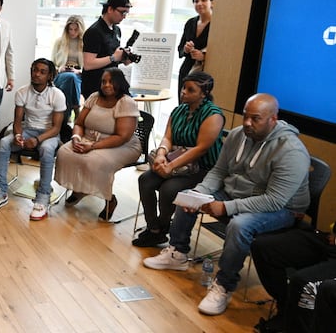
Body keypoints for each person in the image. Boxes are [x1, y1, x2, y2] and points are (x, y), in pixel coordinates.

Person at [142, 93, 310, 316]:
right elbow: (220, 171)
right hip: (238, 193)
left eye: (256, 119)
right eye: (245, 117)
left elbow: (274, 200)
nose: (247, 123)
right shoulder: (238, 135)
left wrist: (228, 207)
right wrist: (199, 193)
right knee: (187, 196)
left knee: (240, 226)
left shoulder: (291, 151)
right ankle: (178, 254)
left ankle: (224, 284)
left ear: (273, 119)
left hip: (282, 208)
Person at [132, 72, 224, 247]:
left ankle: (163, 225)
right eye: (183, 88)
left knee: (168, 190)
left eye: (190, 90)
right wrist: (160, 155)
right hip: (176, 164)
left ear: (203, 93)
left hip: (201, 169)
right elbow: (168, 137)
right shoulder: (179, 110)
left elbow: (201, 148)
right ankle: (154, 230)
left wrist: (171, 166)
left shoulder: (213, 115)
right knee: (145, 180)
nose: (184, 92)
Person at [54, 68, 141, 220]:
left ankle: (109, 200)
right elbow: (79, 123)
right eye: (103, 82)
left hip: (121, 145)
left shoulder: (126, 102)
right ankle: (79, 189)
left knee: (94, 161)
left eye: (111, 82)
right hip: (88, 138)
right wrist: (76, 138)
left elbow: (122, 136)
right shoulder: (94, 97)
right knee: (64, 152)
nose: (106, 85)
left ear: (119, 83)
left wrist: (92, 147)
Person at [0, 58, 65, 221]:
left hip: (49, 133)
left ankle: (43, 195)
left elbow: (56, 128)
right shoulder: (22, 92)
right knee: (4, 143)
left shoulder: (57, 95)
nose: (36, 74)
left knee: (46, 149)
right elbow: (18, 120)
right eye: (34, 70)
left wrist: (37, 140)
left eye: (42, 72)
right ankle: (0, 191)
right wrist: (18, 135)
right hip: (28, 129)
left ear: (50, 76)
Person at [251, 224, 336, 333]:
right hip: (330, 239)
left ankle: (292, 320)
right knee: (262, 248)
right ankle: (286, 309)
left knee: (303, 283)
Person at [80, 0, 135, 99]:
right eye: (122, 12)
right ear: (110, 9)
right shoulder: (94, 32)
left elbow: (110, 56)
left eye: (126, 13)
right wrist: (113, 57)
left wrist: (123, 58)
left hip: (112, 83)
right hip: (95, 85)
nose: (124, 16)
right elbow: (88, 64)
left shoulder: (116, 30)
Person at [177, 0, 214, 101]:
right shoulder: (190, 23)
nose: (199, 3)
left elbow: (221, 52)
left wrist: (204, 56)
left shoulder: (217, 25)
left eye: (204, 0)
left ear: (212, 3)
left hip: (204, 73)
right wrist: (185, 49)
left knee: (198, 106)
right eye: (196, 1)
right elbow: (180, 49)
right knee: (182, 103)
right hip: (186, 69)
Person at [51, 15, 85, 124]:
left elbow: (88, 65)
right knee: (70, 78)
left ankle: (66, 117)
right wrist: (59, 68)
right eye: (70, 29)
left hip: (79, 74)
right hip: (61, 73)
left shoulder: (85, 43)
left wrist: (79, 71)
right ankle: (76, 109)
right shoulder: (59, 42)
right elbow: (52, 63)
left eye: (76, 29)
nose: (73, 32)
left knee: (71, 79)